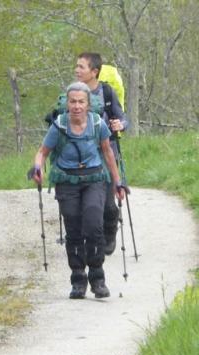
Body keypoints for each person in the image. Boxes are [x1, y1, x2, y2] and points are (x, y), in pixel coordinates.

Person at [32, 82, 126, 299]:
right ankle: (78, 279)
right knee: (73, 229)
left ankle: (97, 277)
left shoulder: (97, 123)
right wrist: (38, 167)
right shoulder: (59, 126)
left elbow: (108, 153)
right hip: (67, 181)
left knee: (94, 226)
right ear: (67, 103)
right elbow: (42, 152)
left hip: (94, 179)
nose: (76, 106)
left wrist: (118, 181)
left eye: (81, 101)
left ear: (88, 104)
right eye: (72, 101)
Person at [75, 52, 128, 255]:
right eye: (77, 66)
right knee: (82, 200)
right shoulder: (72, 93)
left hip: (106, 153)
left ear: (94, 71)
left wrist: (119, 124)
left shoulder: (106, 92)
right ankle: (86, 236)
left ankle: (110, 231)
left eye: (81, 67)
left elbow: (123, 118)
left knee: (107, 202)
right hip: (79, 154)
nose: (77, 70)